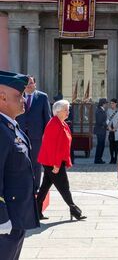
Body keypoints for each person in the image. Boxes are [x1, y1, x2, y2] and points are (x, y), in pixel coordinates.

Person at [0, 70, 40, 260]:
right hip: (6, 219)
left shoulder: (11, 126)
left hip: (17, 216)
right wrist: (1, 218)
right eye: (18, 95)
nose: (23, 99)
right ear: (2, 98)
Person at [36, 100, 86, 221]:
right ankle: (74, 210)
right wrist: (57, 164)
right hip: (53, 161)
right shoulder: (54, 124)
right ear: (58, 111)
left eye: (68, 109)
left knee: (44, 187)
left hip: (53, 161)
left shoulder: (61, 123)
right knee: (64, 186)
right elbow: (53, 147)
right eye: (66, 109)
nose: (68, 112)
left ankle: (36, 212)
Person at [16, 75, 52, 191]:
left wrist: (46, 136)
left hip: (36, 136)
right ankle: (24, 184)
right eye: (26, 83)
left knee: (36, 162)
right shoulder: (18, 96)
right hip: (20, 135)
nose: (28, 85)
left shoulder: (42, 97)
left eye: (31, 83)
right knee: (21, 160)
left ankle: (36, 186)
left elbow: (47, 118)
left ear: (35, 84)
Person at [107, 98, 118, 164]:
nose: (111, 105)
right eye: (111, 103)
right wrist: (109, 127)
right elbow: (107, 119)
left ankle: (115, 158)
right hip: (110, 130)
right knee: (111, 145)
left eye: (113, 103)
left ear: (116, 104)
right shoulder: (108, 110)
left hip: (116, 130)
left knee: (116, 145)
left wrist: (115, 128)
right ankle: (111, 158)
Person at [94, 98, 108, 164]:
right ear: (103, 104)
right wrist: (106, 123)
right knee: (100, 145)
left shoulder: (102, 110)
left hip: (102, 130)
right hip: (100, 130)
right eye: (105, 103)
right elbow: (99, 121)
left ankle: (99, 159)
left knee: (101, 145)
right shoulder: (99, 110)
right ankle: (97, 159)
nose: (106, 105)